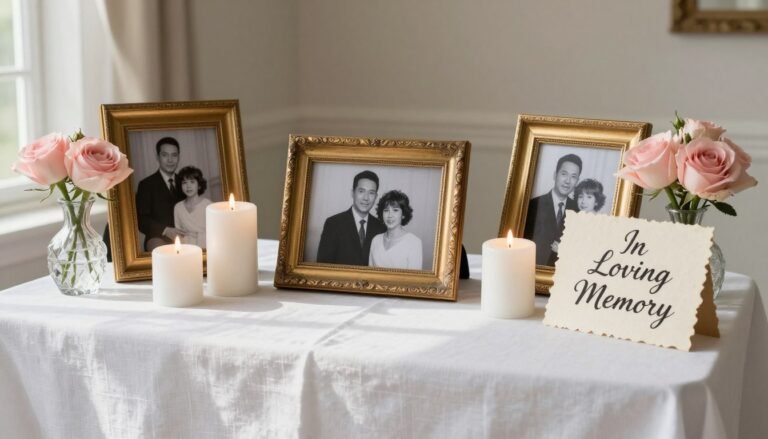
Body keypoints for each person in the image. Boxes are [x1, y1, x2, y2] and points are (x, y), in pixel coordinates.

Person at [316, 170, 387, 265]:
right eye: (361, 191)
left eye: (371, 193)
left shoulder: (381, 227)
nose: (366, 198)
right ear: (352, 193)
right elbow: (323, 265)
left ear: (376, 196)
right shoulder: (333, 224)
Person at [523, 153, 582, 266]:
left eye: (573, 177)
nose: (568, 181)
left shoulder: (578, 211)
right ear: (555, 175)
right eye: (564, 174)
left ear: (577, 181)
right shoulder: (533, 205)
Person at [136, 137, 185, 252]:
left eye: (174, 155)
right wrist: (166, 230)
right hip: (158, 237)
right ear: (158, 157)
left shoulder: (186, 182)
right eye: (165, 155)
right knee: (165, 255)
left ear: (178, 157)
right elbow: (141, 220)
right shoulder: (146, 184)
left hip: (185, 236)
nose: (170, 160)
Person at [369, 190, 423, 270]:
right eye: (386, 211)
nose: (390, 215)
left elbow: (414, 281)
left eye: (395, 210)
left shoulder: (414, 243)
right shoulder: (376, 240)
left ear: (403, 214)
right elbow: (370, 274)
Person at [173, 166, 212, 248]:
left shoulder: (208, 206)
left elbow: (214, 234)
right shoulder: (178, 207)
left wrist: (195, 235)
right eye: (184, 183)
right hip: (185, 250)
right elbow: (178, 235)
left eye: (192, 182)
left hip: (206, 249)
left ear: (199, 185)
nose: (188, 186)